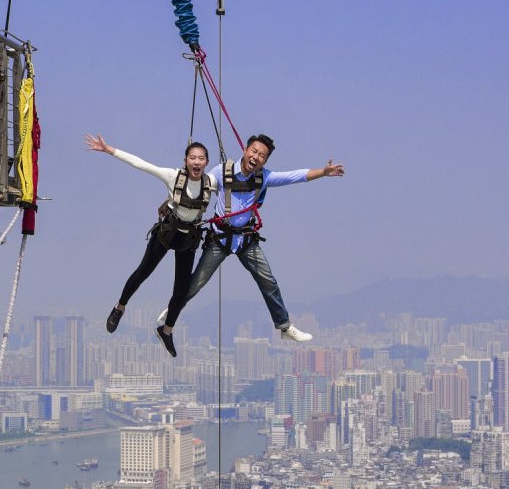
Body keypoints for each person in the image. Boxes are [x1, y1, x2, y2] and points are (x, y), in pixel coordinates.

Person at [166, 133, 344, 345]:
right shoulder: (221, 172)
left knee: (269, 282)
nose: (256, 157)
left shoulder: (264, 177)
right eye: (254, 151)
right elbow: (192, 185)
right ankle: (171, 314)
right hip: (220, 239)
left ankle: (284, 325)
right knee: (195, 283)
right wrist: (168, 202)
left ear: (265, 161)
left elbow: (295, 176)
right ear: (245, 150)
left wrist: (323, 172)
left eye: (262, 155)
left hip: (245, 241)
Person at [86, 133, 215, 357]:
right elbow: (141, 164)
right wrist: (110, 150)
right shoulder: (173, 176)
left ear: (206, 162)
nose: (196, 162)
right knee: (144, 271)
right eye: (192, 157)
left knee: (181, 290)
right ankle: (120, 307)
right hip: (168, 231)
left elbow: (236, 182)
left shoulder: (211, 182)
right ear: (186, 160)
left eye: (201, 158)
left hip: (190, 237)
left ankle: (166, 330)